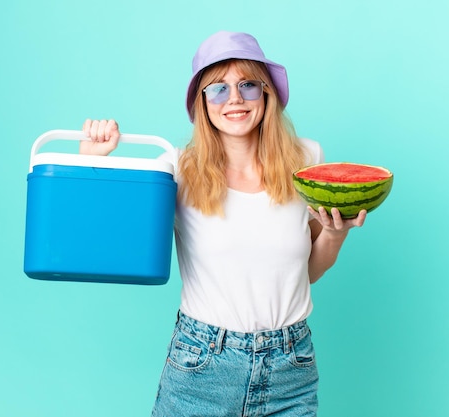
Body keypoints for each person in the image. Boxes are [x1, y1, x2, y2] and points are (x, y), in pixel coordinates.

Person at [81, 31, 366, 417]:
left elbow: (307, 273)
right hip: (202, 366)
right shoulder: (178, 169)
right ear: (201, 103)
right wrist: (92, 162)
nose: (234, 99)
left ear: (266, 94)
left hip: (291, 367)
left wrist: (334, 232)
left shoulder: (306, 160)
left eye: (247, 85)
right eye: (217, 89)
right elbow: (108, 240)